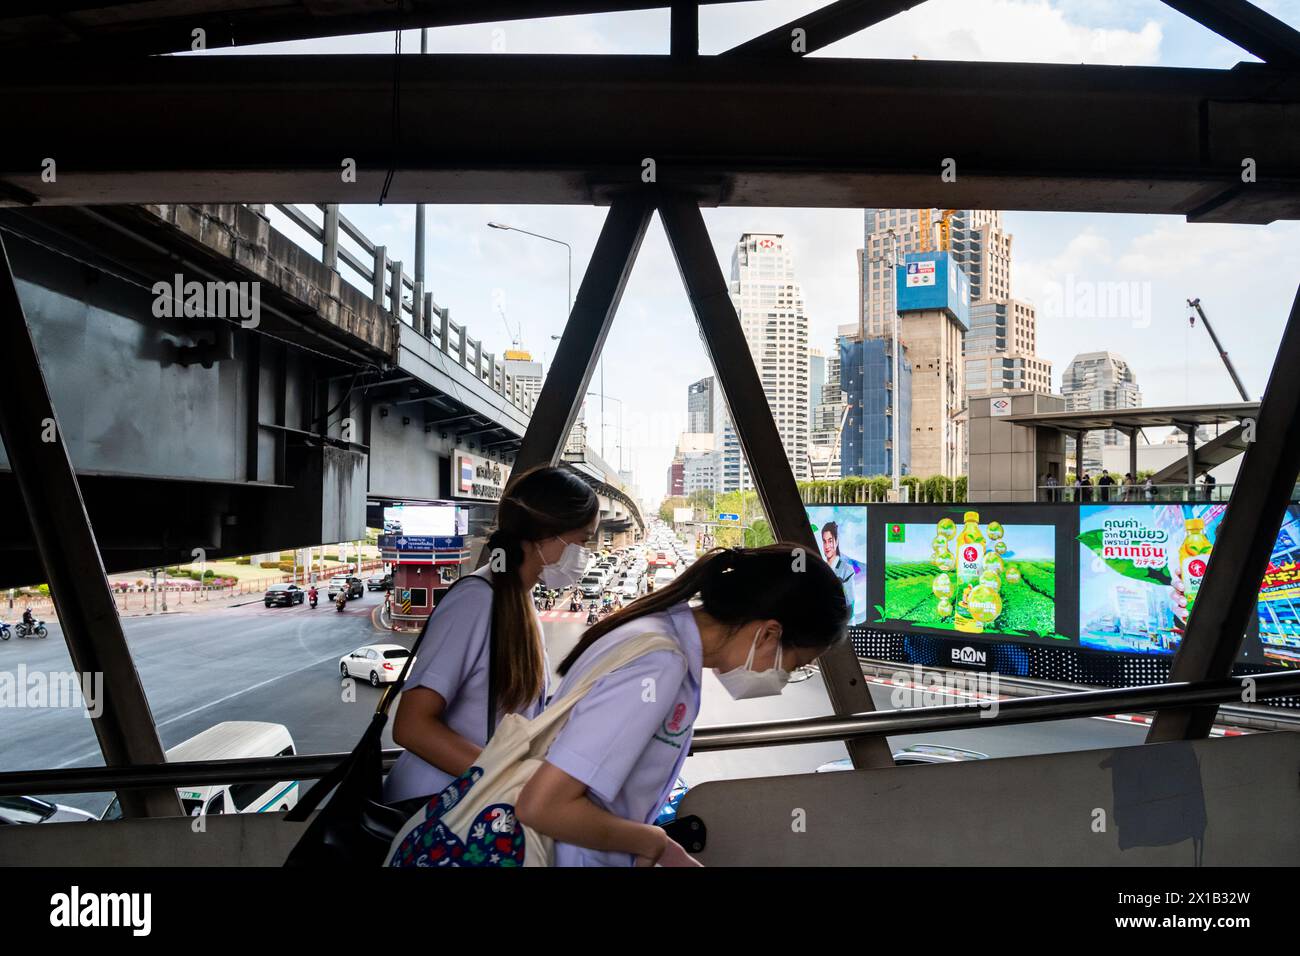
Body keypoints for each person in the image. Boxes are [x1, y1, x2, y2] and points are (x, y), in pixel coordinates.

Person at [515, 544, 851, 867]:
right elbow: (544, 806)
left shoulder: (663, 632)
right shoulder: (659, 664)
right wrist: (651, 841)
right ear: (768, 634)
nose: (782, 678)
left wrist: (667, 852)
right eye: (791, 666)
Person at [384, 466, 599, 804]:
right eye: (583, 540)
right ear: (546, 534)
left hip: (473, 807)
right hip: (432, 815)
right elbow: (412, 726)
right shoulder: (475, 601)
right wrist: (514, 783)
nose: (586, 554)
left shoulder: (518, 598)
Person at [819, 521, 864, 622]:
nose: (827, 545)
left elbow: (850, 606)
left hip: (840, 628)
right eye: (824, 541)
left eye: (830, 541)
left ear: (837, 541)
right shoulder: (820, 568)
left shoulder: (846, 570)